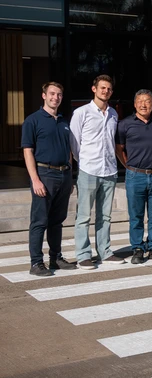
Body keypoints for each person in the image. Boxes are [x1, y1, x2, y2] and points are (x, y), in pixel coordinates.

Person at [21, 82, 77, 276]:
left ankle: (55, 258)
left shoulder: (63, 121)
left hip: (64, 175)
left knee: (57, 220)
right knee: (39, 221)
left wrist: (70, 176)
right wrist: (35, 179)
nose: (56, 97)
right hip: (44, 174)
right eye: (52, 94)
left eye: (59, 94)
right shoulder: (32, 120)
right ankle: (36, 263)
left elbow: (68, 150)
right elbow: (28, 151)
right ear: (43, 95)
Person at [70, 75, 124, 269]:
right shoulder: (81, 113)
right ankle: (83, 254)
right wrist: (83, 161)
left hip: (109, 170)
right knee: (84, 215)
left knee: (105, 216)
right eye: (102, 88)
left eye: (109, 89)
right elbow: (74, 143)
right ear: (94, 89)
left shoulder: (113, 114)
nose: (106, 91)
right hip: (88, 170)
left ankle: (105, 251)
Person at [115, 89, 152, 264]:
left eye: (147, 101)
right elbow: (119, 148)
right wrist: (128, 166)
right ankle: (137, 248)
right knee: (136, 215)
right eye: (140, 101)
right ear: (135, 104)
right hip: (134, 176)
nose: (143, 104)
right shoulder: (125, 124)